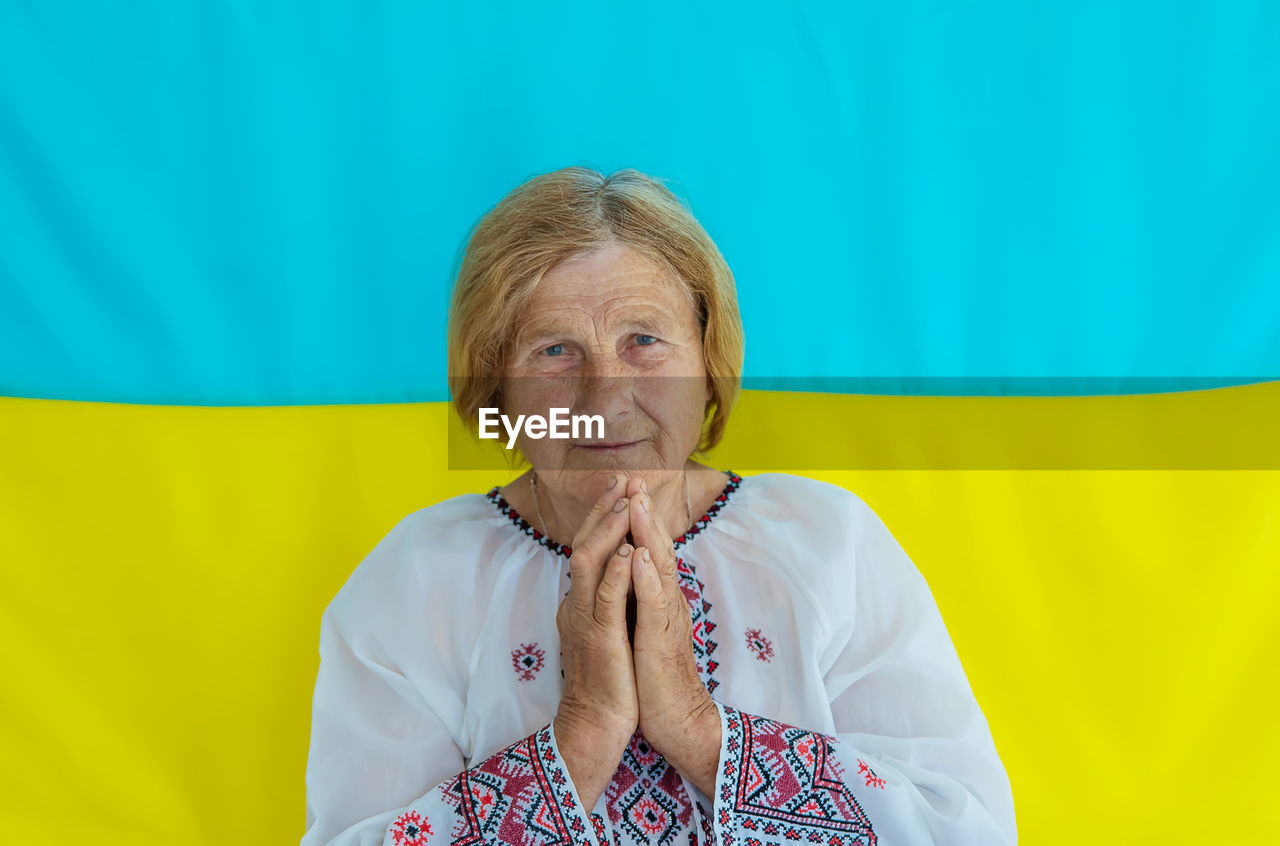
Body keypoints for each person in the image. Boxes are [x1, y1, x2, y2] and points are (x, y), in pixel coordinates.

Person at [301, 166, 1017, 845]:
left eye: (644, 341)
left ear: (709, 366)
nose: (605, 397)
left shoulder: (828, 544)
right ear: (499, 393)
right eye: (554, 351)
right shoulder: (417, 579)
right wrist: (579, 739)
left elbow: (968, 829)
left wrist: (701, 730)